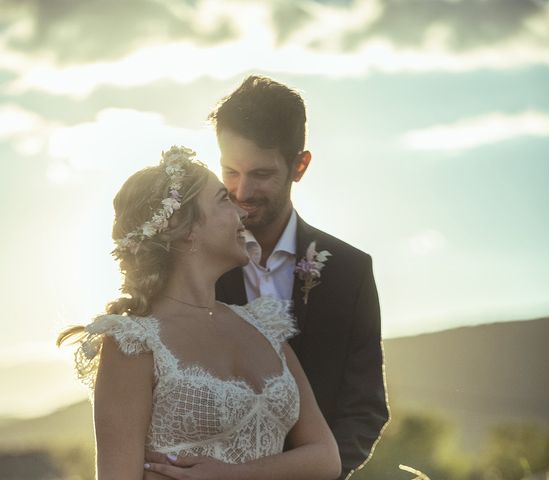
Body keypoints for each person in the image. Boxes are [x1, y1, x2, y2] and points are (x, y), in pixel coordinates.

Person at [58, 146, 341, 480]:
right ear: (184, 227)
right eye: (224, 199)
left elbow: (326, 458)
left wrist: (232, 475)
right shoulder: (134, 344)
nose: (242, 212)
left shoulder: (266, 328)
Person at [211, 76, 390, 479]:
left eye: (260, 174)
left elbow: (365, 408)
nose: (241, 191)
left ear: (300, 165)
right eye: (229, 171)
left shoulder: (350, 271)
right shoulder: (196, 264)